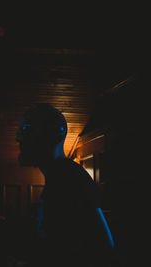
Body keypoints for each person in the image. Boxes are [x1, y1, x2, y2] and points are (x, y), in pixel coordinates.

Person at [16, 103, 119, 267]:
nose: (18, 138)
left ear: (54, 134)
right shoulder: (59, 177)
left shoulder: (70, 178)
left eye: (27, 129)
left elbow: (104, 248)